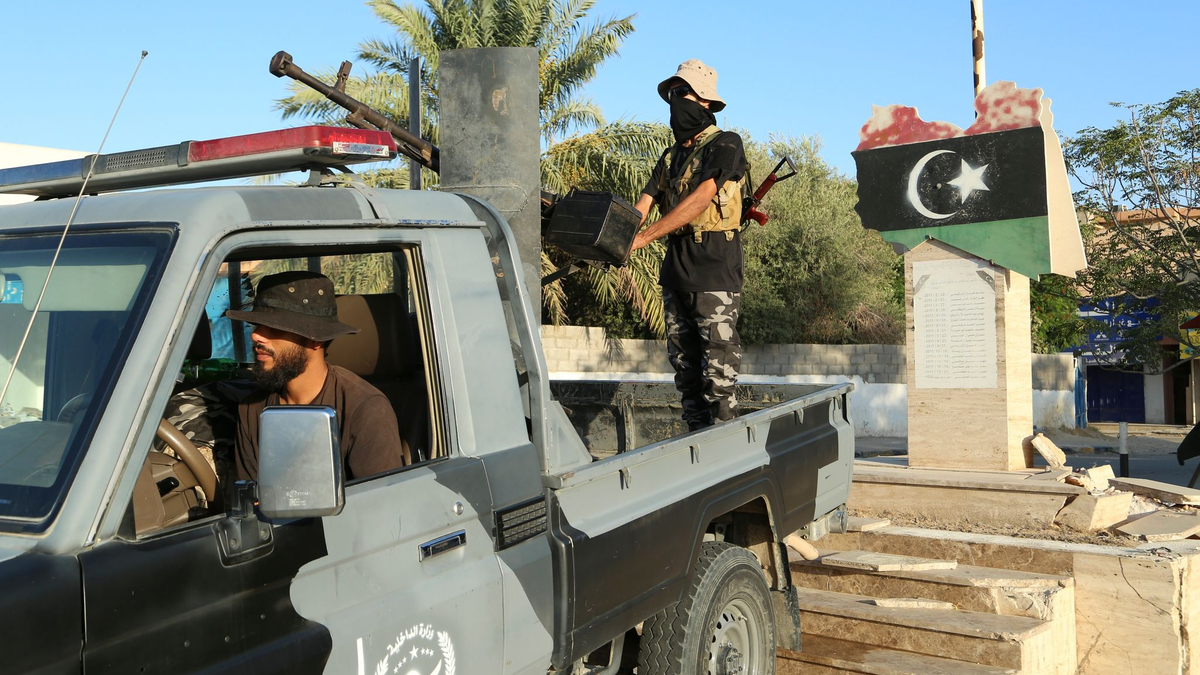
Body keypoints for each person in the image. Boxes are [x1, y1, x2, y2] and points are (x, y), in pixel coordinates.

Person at [631, 59, 748, 431]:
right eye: (673, 95)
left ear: (707, 103)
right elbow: (643, 204)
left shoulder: (726, 143)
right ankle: (696, 444)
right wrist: (617, 239)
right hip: (676, 272)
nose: (676, 101)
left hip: (714, 269)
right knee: (685, 373)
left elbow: (702, 197)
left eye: (684, 94)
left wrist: (645, 237)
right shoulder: (670, 157)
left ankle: (728, 454)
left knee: (719, 373)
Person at [226, 271, 406, 481]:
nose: (256, 335)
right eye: (257, 325)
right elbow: (252, 503)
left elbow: (379, 505)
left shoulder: (365, 408)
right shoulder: (252, 408)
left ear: (316, 340)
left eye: (275, 328)